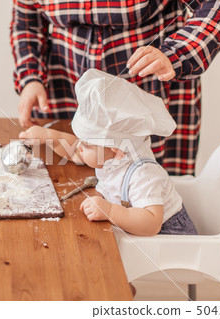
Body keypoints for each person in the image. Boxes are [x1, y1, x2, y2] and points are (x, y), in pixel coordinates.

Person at [11, 0, 220, 176]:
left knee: (148, 191)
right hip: (67, 86)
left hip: (150, 85)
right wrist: (31, 76)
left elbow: (219, 4)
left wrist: (177, 51)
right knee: (69, 181)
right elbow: (27, 20)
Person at [19, 69, 197, 236]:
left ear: (115, 150)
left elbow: (151, 223)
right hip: (134, 226)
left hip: (169, 240)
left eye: (87, 144)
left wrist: (109, 211)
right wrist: (48, 136)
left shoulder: (143, 174)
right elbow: (75, 152)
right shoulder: (111, 156)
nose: (79, 146)